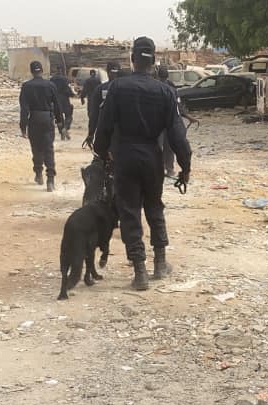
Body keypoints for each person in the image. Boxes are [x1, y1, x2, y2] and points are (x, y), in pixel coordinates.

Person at [93, 37, 192, 291]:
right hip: (152, 156)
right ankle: (160, 264)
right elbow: (177, 135)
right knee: (155, 207)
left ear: (133, 59)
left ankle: (140, 271)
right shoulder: (166, 92)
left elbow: (103, 127)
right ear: (154, 61)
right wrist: (185, 166)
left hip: (125, 156)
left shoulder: (117, 88)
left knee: (129, 212)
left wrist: (101, 153)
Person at [19, 60, 64, 192]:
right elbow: (57, 105)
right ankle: (50, 179)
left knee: (36, 147)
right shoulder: (50, 85)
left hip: (34, 119)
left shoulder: (26, 86)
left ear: (32, 71)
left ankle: (38, 174)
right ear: (42, 70)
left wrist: (23, 126)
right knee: (48, 148)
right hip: (47, 119)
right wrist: (60, 122)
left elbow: (24, 109)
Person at [156, 65, 199, 177]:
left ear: (157, 76)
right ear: (167, 76)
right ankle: (169, 169)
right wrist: (188, 117)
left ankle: (160, 170)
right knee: (169, 147)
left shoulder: (154, 87)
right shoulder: (172, 88)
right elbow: (178, 107)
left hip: (157, 123)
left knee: (158, 147)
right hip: (170, 123)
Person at [84, 62, 122, 146]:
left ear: (107, 73)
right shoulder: (128, 89)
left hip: (104, 130)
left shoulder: (100, 89)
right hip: (122, 134)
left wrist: (91, 134)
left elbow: (94, 114)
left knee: (100, 156)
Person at [49, 68, 75, 140]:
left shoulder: (52, 79)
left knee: (58, 117)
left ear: (55, 71)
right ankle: (65, 128)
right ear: (62, 71)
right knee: (69, 115)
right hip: (64, 100)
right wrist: (72, 94)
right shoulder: (65, 79)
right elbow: (68, 89)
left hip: (55, 100)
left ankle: (61, 132)